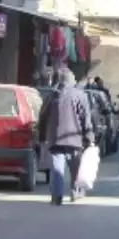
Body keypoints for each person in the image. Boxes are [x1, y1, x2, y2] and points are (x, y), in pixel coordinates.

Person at [37, 69, 94, 205]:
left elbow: (43, 118)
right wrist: (89, 138)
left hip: (55, 139)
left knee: (57, 170)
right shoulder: (80, 95)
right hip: (75, 140)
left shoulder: (52, 95)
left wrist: (42, 137)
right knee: (75, 169)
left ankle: (57, 197)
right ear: (72, 80)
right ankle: (75, 192)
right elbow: (86, 119)